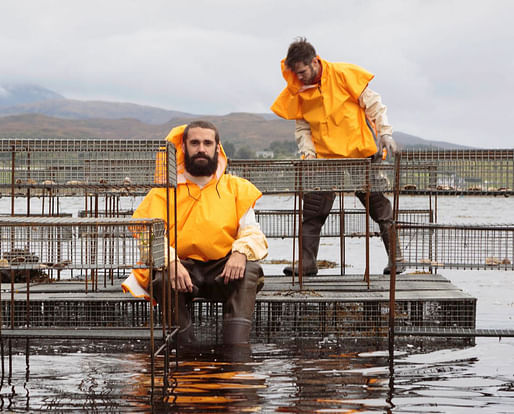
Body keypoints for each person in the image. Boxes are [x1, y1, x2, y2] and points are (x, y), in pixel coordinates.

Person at [122, 120, 268, 346]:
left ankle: (236, 355)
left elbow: (252, 232)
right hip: (180, 268)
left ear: (217, 148)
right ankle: (185, 348)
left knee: (250, 269)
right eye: (195, 143)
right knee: (161, 278)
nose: (202, 148)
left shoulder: (237, 188)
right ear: (184, 148)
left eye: (208, 143)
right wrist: (170, 262)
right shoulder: (161, 193)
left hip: (222, 270)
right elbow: (147, 237)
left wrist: (240, 253)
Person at [271, 37, 404, 276]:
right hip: (324, 159)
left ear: (314, 61)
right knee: (313, 210)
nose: (300, 77)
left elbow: (373, 103)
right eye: (296, 73)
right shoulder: (298, 89)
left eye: (302, 71)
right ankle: (307, 264)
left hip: (360, 155)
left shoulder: (343, 74)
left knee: (379, 207)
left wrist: (385, 133)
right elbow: (302, 127)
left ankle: (397, 259)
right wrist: (308, 153)